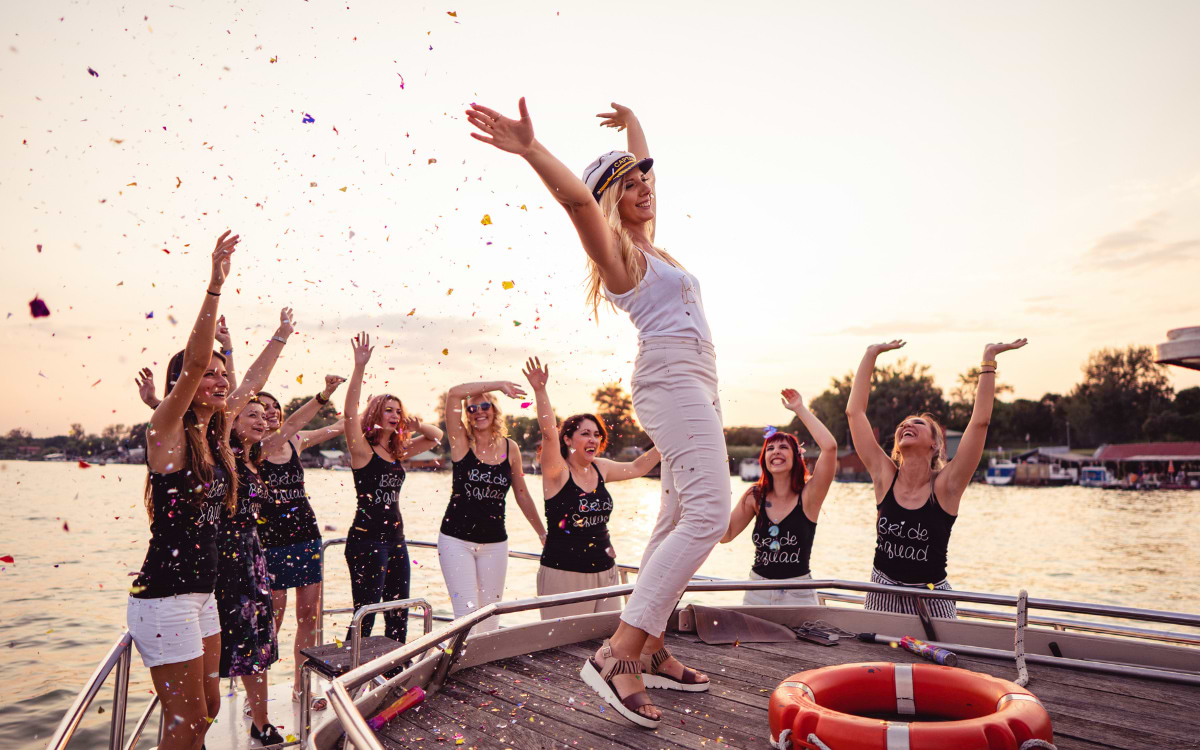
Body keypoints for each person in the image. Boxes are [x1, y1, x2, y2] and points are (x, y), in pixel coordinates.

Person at [469, 97, 727, 727]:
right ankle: (619, 651)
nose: (645, 190)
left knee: (672, 515)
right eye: (630, 186)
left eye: (647, 182)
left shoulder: (655, 247)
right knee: (710, 513)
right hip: (671, 381)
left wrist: (636, 121)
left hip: (700, 381)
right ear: (611, 202)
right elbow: (579, 203)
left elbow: (643, 168)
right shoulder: (620, 257)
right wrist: (531, 149)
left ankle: (653, 649)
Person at [126, 231, 239, 750]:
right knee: (186, 723)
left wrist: (238, 352)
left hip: (202, 595)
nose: (217, 379)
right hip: (165, 596)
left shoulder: (213, 439)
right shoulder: (166, 430)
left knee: (210, 710)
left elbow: (242, 380)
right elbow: (192, 367)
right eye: (208, 374)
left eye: (222, 374)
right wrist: (214, 286)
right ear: (183, 385)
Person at [846, 338, 1027, 617]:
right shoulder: (884, 477)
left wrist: (988, 359)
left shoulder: (946, 486)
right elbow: (854, 412)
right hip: (882, 593)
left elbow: (980, 422)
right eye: (903, 424)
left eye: (917, 423)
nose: (907, 424)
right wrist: (871, 354)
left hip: (932, 598)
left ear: (935, 444)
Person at [522, 358, 660, 621]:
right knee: (564, 648)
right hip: (565, 573)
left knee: (607, 641)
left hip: (606, 570)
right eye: (585, 434)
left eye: (597, 434)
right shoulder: (557, 473)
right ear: (568, 439)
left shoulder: (601, 468)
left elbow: (638, 467)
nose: (593, 440)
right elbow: (549, 433)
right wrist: (540, 391)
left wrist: (668, 438)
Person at [343, 332, 444, 643]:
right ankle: (351, 678)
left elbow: (436, 436)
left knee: (398, 614)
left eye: (398, 411)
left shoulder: (398, 451)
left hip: (395, 541)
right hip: (366, 541)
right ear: (375, 413)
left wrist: (414, 425)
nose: (395, 415)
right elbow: (349, 413)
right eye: (389, 410)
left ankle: (394, 676)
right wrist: (359, 367)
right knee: (366, 614)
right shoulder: (363, 450)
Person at [256, 380, 346, 711]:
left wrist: (361, 410)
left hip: (306, 538)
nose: (271, 412)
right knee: (271, 622)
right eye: (263, 408)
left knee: (308, 617)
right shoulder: (253, 449)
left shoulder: (295, 441)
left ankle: (301, 688)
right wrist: (323, 395)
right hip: (270, 545)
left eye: (274, 406)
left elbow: (337, 427)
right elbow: (297, 420)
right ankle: (258, 695)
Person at [439, 376, 546, 633]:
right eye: (472, 409)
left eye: (485, 406)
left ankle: (480, 671)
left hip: (495, 544)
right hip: (456, 541)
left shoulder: (511, 448)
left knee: (490, 619)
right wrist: (497, 385)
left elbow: (522, 494)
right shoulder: (461, 442)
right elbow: (454, 392)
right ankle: (458, 670)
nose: (478, 412)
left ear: (495, 411)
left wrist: (542, 533)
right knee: (466, 616)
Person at [720, 390, 838, 605]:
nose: (776, 451)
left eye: (784, 447)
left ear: (796, 457)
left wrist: (799, 409)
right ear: (764, 460)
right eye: (770, 448)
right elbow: (725, 534)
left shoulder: (810, 495)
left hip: (798, 594)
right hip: (756, 591)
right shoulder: (755, 496)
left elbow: (829, 448)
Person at [135, 314, 236, 410]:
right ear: (181, 381)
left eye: (225, 375)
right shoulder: (171, 426)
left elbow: (240, 391)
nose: (224, 383)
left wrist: (226, 343)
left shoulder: (222, 423)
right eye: (209, 374)